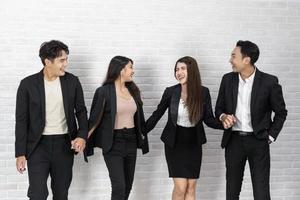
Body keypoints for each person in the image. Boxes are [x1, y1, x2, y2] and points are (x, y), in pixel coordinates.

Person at [15, 40, 88, 200]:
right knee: (37, 193)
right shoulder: (27, 85)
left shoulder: (72, 81)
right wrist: (20, 153)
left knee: (61, 193)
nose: (66, 64)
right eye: (62, 60)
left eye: (66, 59)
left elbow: (81, 112)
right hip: (37, 146)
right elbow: (21, 120)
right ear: (47, 62)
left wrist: (82, 136)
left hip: (64, 144)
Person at [144, 56, 224, 200]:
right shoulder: (170, 92)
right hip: (174, 143)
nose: (178, 72)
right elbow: (156, 115)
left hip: (194, 143)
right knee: (181, 188)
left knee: (191, 188)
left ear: (192, 70)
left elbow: (209, 119)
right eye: (176, 69)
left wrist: (225, 124)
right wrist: (140, 131)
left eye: (182, 69)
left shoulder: (203, 92)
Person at [215, 40, 288, 200]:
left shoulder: (269, 82)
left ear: (246, 60)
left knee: (261, 193)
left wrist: (270, 136)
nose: (230, 60)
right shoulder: (227, 80)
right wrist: (223, 117)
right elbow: (218, 109)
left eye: (234, 56)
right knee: (232, 192)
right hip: (233, 142)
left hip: (258, 141)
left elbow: (281, 112)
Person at [86, 56, 149, 200]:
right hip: (114, 143)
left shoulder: (134, 91)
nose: (133, 71)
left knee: (128, 185)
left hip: (131, 140)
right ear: (121, 70)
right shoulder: (104, 92)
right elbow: (94, 120)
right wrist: (82, 138)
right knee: (119, 186)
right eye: (131, 67)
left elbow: (140, 120)